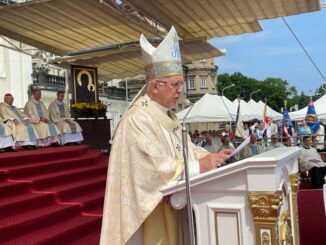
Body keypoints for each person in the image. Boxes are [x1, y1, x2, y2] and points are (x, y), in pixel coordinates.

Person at [100, 26, 231, 245]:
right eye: (175, 84)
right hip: (151, 214)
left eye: (181, 84)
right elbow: (151, 168)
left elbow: (186, 148)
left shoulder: (168, 116)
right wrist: (199, 166)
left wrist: (212, 157)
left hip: (176, 204)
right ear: (154, 87)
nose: (181, 90)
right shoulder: (137, 119)